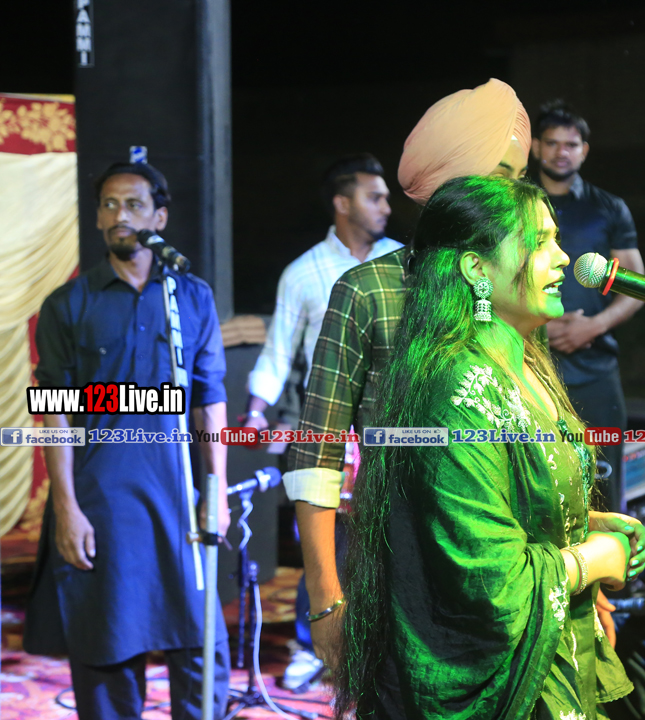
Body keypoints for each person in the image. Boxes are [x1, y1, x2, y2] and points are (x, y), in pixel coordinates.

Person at [335, 175, 645, 719]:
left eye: (557, 239)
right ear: (477, 270)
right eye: (539, 242)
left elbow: (506, 503)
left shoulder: (525, 362)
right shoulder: (459, 388)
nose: (563, 258)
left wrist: (584, 523)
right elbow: (492, 582)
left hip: (561, 658)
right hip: (490, 688)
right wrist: (595, 558)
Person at [283, 79, 535, 668]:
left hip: (515, 573)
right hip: (401, 573)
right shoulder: (368, 290)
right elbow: (316, 452)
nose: (514, 195)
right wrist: (324, 599)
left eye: (521, 178)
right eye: (500, 175)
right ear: (446, 182)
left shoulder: (516, 293)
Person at [25, 162, 232, 719]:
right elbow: (54, 413)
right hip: (103, 502)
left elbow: (210, 400)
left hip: (178, 496)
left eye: (134, 204)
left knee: (201, 646)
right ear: (97, 218)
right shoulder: (68, 304)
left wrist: (215, 490)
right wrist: (66, 508)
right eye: (110, 205)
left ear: (159, 218)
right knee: (107, 644)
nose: (120, 215)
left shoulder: (190, 297)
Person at [241, 153, 400, 689]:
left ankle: (385, 646)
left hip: (390, 429)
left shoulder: (404, 263)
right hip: (327, 429)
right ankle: (313, 646)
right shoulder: (303, 272)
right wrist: (256, 412)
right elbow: (278, 351)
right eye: (374, 197)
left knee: (389, 539)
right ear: (342, 203)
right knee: (322, 542)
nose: (386, 206)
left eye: (386, 196)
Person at [531, 100, 645, 506]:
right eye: (552, 143)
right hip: (530, 363)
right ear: (535, 147)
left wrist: (592, 326)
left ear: (584, 151)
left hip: (596, 365)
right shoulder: (517, 205)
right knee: (538, 477)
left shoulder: (608, 208)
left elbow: (636, 286)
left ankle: (608, 548)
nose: (561, 152)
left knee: (604, 478)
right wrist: (540, 328)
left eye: (571, 144)